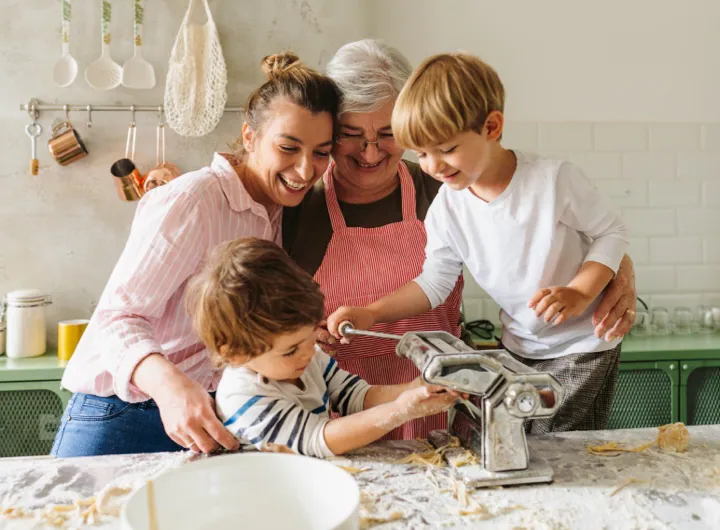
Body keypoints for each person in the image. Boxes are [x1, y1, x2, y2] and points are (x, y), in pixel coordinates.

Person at [283, 40, 638, 439]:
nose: (370, 153)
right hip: (342, 404)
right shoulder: (298, 204)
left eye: (387, 135)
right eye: (351, 135)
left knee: (548, 450)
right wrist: (354, 319)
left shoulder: (478, 184)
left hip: (466, 388)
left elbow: (603, 231)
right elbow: (434, 280)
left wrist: (595, 283)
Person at [51, 52, 341, 457]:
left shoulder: (280, 212)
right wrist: (169, 387)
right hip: (124, 412)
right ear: (250, 137)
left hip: (208, 415)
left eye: (322, 152)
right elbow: (117, 317)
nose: (306, 169)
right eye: (289, 147)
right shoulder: (192, 200)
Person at [189, 237, 461, 456]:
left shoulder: (307, 357)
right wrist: (401, 410)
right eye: (291, 350)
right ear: (235, 353)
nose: (310, 351)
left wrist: (415, 389)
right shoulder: (244, 396)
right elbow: (319, 438)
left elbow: (357, 397)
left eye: (310, 336)